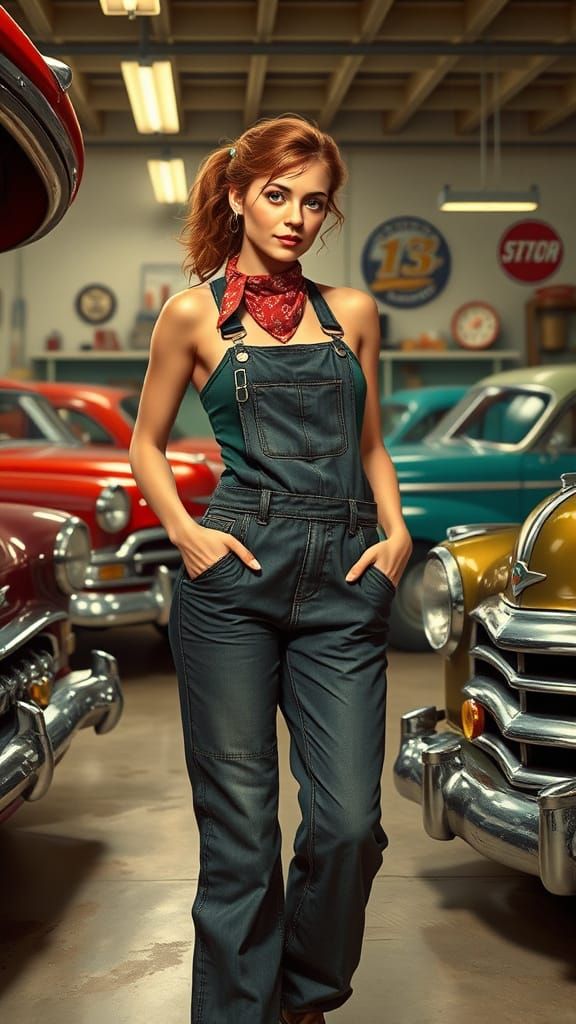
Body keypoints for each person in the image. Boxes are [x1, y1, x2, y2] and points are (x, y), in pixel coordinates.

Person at [129, 114, 412, 1024]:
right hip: (233, 583)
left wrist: (396, 529)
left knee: (348, 827)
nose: (295, 217)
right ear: (239, 194)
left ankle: (305, 998)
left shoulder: (355, 314)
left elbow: (370, 445)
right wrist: (186, 530)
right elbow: (145, 444)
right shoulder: (192, 314)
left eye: (314, 201)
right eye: (278, 194)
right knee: (242, 834)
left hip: (343, 579)